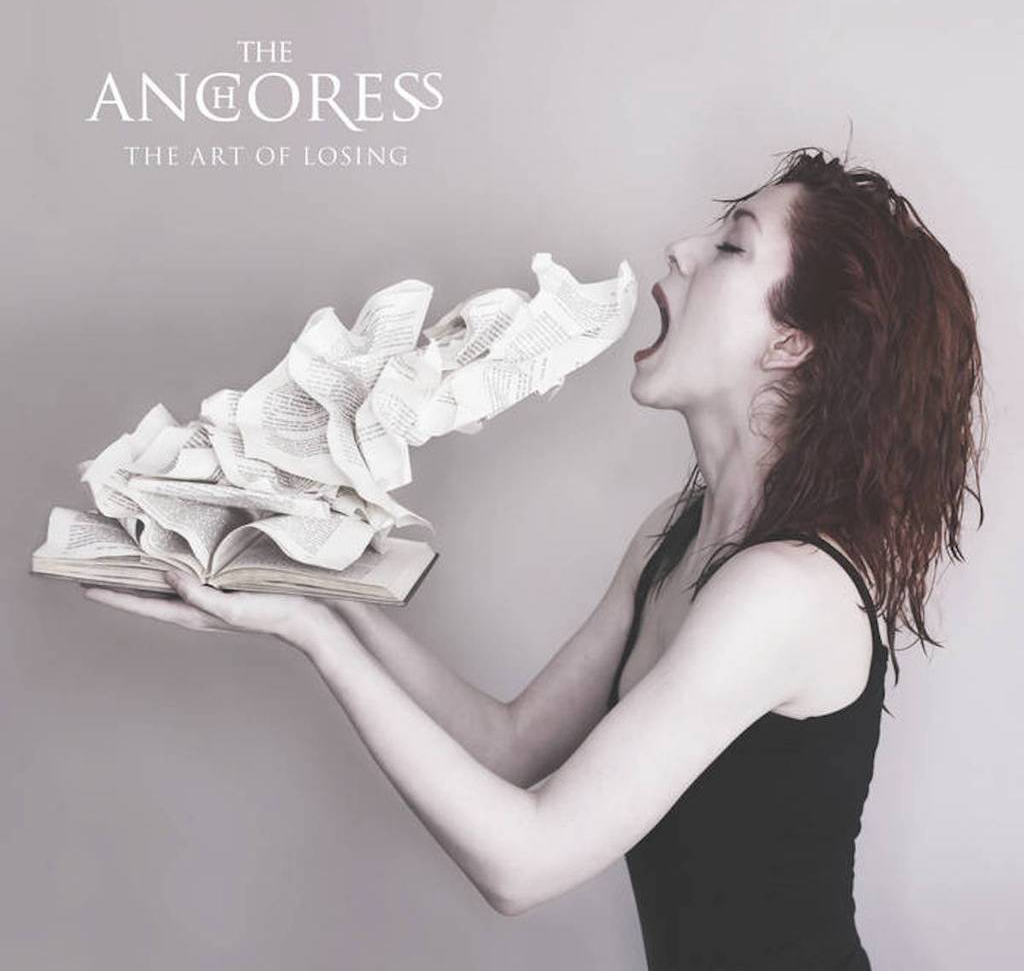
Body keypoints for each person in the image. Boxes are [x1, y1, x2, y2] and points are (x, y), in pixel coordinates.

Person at [83, 146, 987, 970]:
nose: (679, 249)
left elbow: (523, 863)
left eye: (730, 247)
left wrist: (309, 635)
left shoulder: (783, 592)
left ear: (791, 342)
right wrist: (317, 579)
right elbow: (507, 747)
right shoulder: (678, 535)